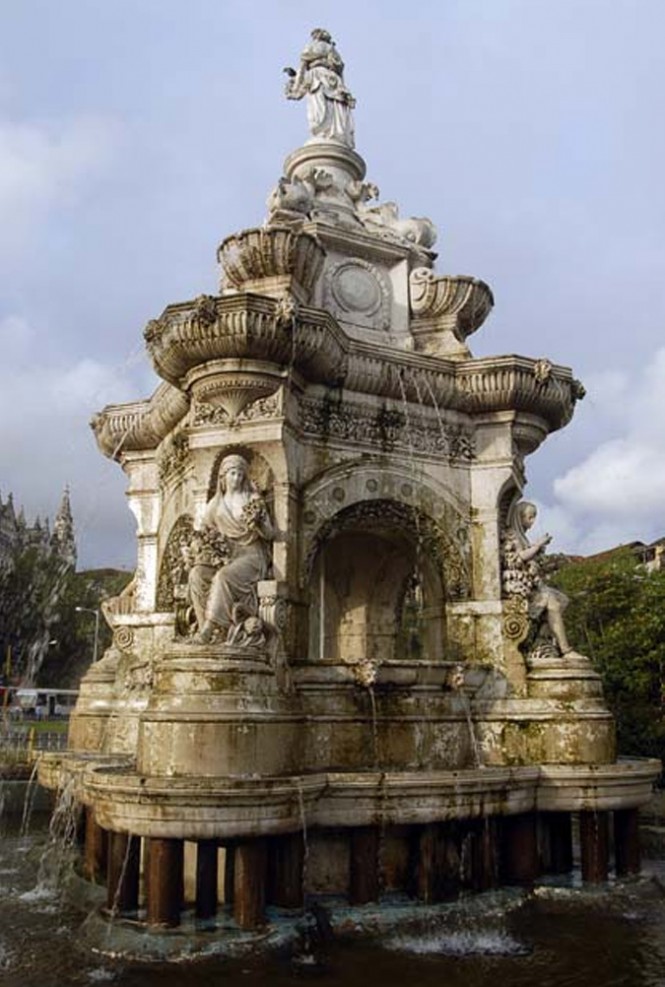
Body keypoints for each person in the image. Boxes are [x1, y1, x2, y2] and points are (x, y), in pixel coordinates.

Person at [189, 455, 273, 644]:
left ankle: (209, 629)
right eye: (232, 474)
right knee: (197, 574)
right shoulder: (215, 505)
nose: (236, 478)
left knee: (223, 577)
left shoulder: (252, 499)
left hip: (251, 556)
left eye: (240, 475)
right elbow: (203, 534)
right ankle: (207, 630)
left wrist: (258, 524)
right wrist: (196, 548)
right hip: (227, 557)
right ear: (223, 477)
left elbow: (271, 534)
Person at [502, 501, 583, 659]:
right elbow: (519, 557)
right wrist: (537, 546)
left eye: (534, 518)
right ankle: (565, 649)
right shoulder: (513, 535)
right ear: (519, 517)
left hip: (531, 585)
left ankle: (542, 638)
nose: (532, 522)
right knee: (552, 600)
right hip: (519, 589)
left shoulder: (522, 536)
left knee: (563, 600)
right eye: (529, 517)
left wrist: (537, 550)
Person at [284, 29, 356, 147]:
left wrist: (296, 86)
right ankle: (332, 132)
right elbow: (339, 68)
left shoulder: (310, 48)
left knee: (320, 108)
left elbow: (302, 69)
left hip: (317, 77)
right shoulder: (332, 50)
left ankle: (325, 131)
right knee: (329, 108)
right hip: (331, 79)